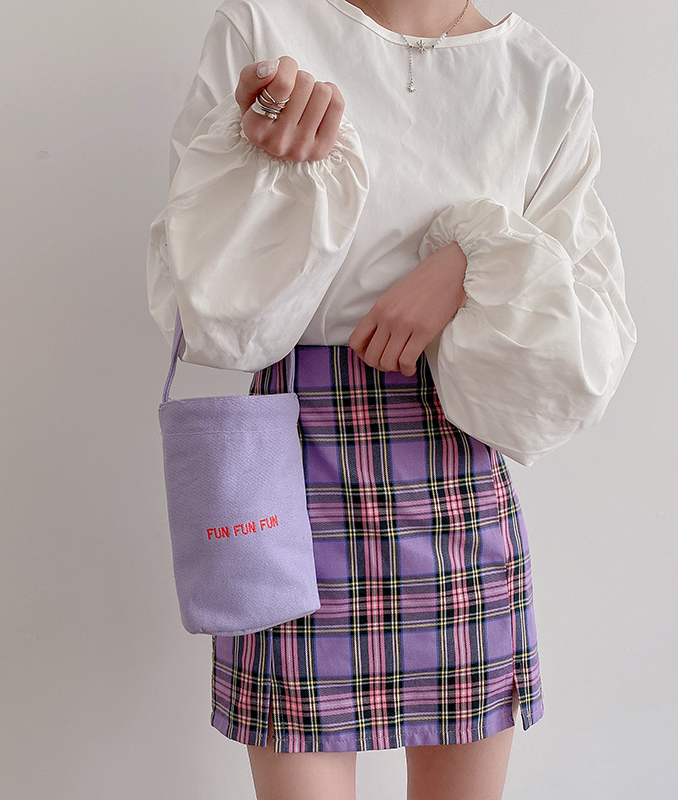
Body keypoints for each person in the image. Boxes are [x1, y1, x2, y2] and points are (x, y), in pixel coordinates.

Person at [147, 1, 637, 798]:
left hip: (455, 474)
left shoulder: (542, 79)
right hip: (289, 471)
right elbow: (208, 313)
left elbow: (583, 346)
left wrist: (471, 261)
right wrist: (260, 170)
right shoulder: (265, 28)